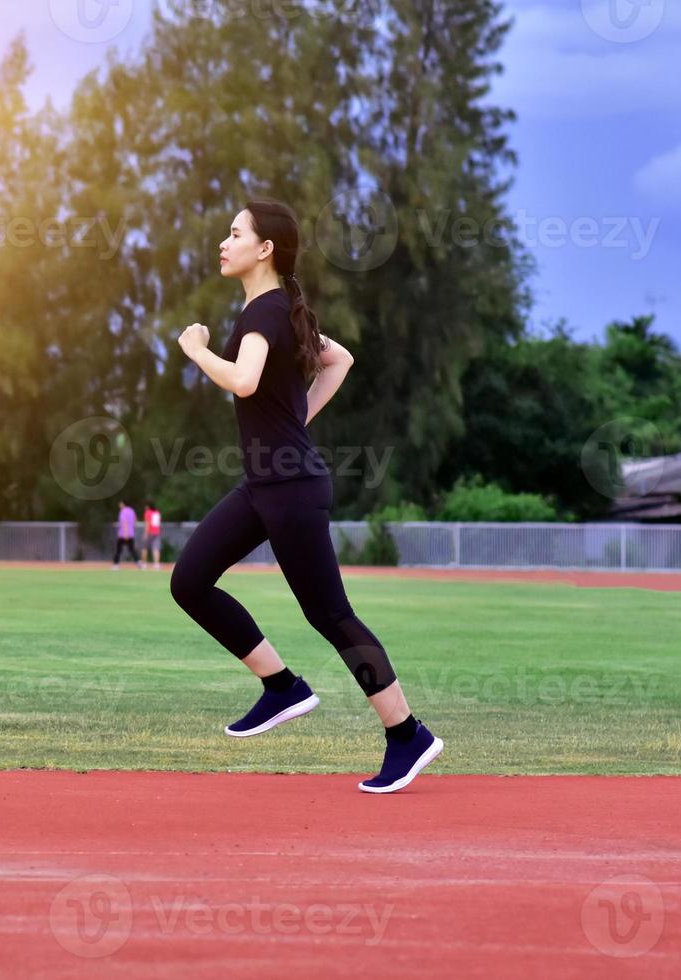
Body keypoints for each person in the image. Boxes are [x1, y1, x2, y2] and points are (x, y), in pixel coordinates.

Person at [170, 198, 441, 794]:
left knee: (331, 613)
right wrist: (299, 419)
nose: (223, 241)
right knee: (188, 581)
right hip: (268, 483)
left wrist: (195, 350)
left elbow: (242, 380)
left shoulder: (262, 316)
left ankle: (407, 734)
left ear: (264, 249)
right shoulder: (281, 312)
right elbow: (339, 360)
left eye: (234, 232)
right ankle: (282, 687)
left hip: (290, 488)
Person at [112, 500, 142, 570]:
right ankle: (139, 563)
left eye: (120, 504)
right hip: (131, 534)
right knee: (132, 550)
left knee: (118, 550)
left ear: (123, 504)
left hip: (123, 534)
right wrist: (131, 530)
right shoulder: (132, 511)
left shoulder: (123, 511)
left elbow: (124, 522)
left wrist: (126, 533)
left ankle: (116, 565)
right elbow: (135, 521)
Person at [143, 501, 163, 570]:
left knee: (145, 548)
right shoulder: (157, 512)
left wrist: (145, 533)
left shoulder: (148, 512)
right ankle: (156, 564)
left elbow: (147, 523)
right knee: (156, 548)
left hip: (150, 532)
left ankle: (144, 564)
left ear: (148, 506)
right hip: (157, 532)